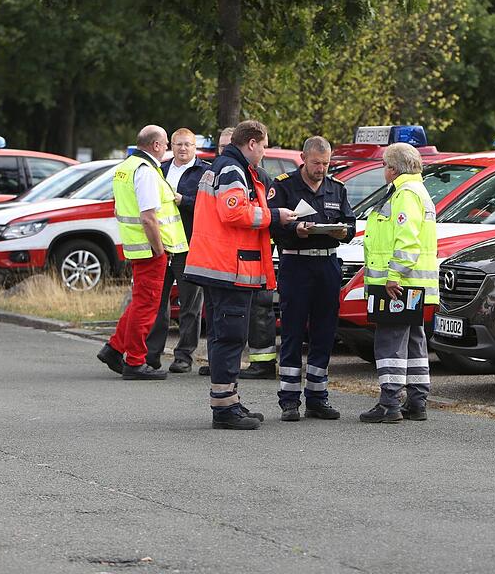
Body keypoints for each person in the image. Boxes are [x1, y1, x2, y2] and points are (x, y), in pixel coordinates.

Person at [184, 120, 296, 429]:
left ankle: (229, 400)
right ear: (252, 143)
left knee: (227, 335)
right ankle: (223, 408)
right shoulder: (233, 170)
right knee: (229, 336)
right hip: (227, 267)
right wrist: (275, 216)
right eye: (263, 145)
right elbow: (232, 212)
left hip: (225, 266)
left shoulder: (229, 167)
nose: (264, 151)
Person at [269, 136, 356, 421]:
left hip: (327, 264)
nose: (321, 169)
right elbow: (272, 226)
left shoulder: (336, 188)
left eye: (326, 163)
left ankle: (317, 396)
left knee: (324, 332)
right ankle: (289, 399)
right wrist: (296, 229)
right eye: (317, 163)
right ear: (304, 158)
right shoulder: (283, 185)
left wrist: (344, 231)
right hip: (295, 263)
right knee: (293, 331)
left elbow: (351, 224)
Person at [97, 125, 188, 380]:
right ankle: (135, 361)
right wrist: (160, 250)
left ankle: (114, 348)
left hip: (137, 247)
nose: (169, 148)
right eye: (167, 144)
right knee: (147, 306)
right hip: (150, 249)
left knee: (140, 302)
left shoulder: (126, 168)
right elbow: (149, 217)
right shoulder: (146, 172)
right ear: (156, 145)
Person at [359, 143, 438, 423]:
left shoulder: (404, 194)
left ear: (392, 169)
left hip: (399, 284)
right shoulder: (418, 191)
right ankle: (417, 401)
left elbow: (407, 239)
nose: (383, 169)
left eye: (383, 164)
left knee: (390, 341)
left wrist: (394, 275)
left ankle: (389, 403)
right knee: (415, 341)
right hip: (415, 284)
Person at [146, 127, 209, 373]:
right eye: (178, 144)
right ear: (170, 146)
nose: (183, 149)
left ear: (195, 148)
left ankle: (184, 356)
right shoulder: (159, 170)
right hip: (161, 245)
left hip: (189, 246)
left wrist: (185, 200)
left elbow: (208, 204)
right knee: (157, 303)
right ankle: (152, 354)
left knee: (190, 305)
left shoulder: (204, 172)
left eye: (187, 145)